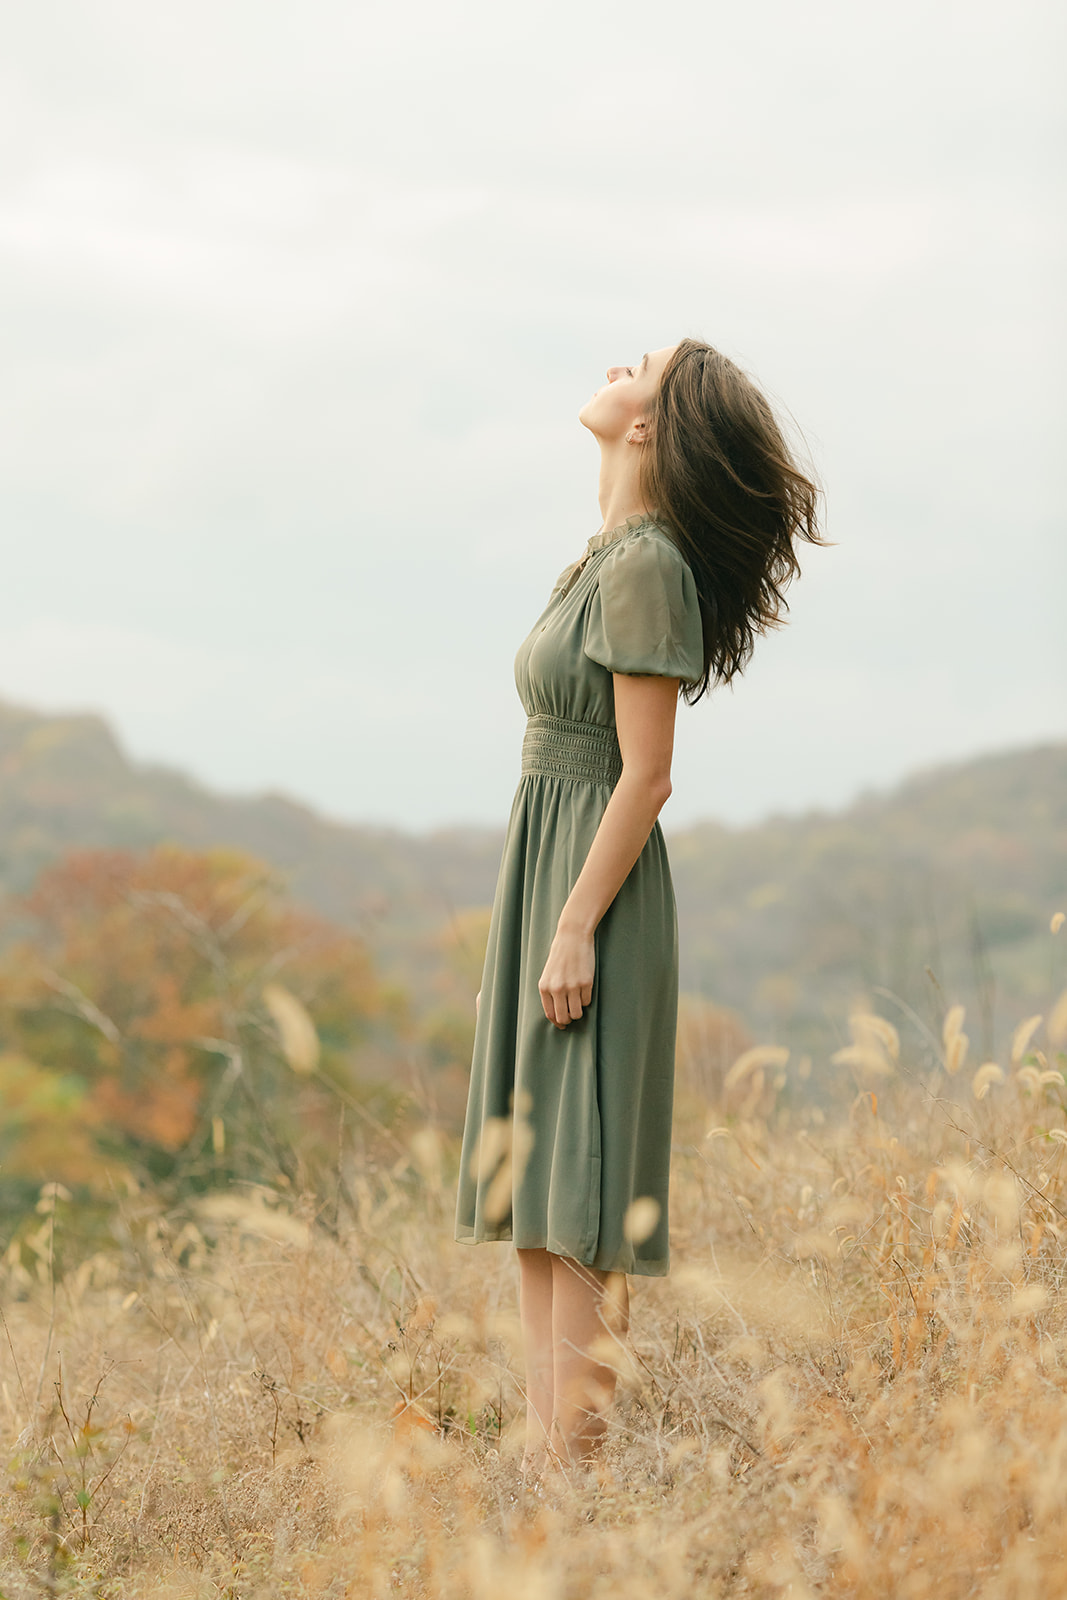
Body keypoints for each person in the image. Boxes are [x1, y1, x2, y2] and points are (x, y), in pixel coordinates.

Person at [454, 338, 823, 1483]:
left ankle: (571, 1480)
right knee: (538, 1190)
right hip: (554, 872)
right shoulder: (610, 553)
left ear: (650, 425)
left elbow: (647, 773)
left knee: (579, 1179)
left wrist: (572, 924)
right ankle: (547, 1471)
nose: (621, 358)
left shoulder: (644, 564)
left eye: (644, 362)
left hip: (590, 889)